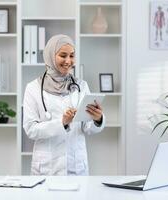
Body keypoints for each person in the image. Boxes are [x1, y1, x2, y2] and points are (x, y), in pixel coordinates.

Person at [23, 34, 105, 175]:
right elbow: (31, 129)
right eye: (63, 55)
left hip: (76, 165)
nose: (68, 61)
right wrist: (62, 123)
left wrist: (97, 120)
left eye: (72, 56)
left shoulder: (81, 86)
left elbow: (87, 128)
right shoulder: (33, 88)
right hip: (47, 167)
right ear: (50, 56)